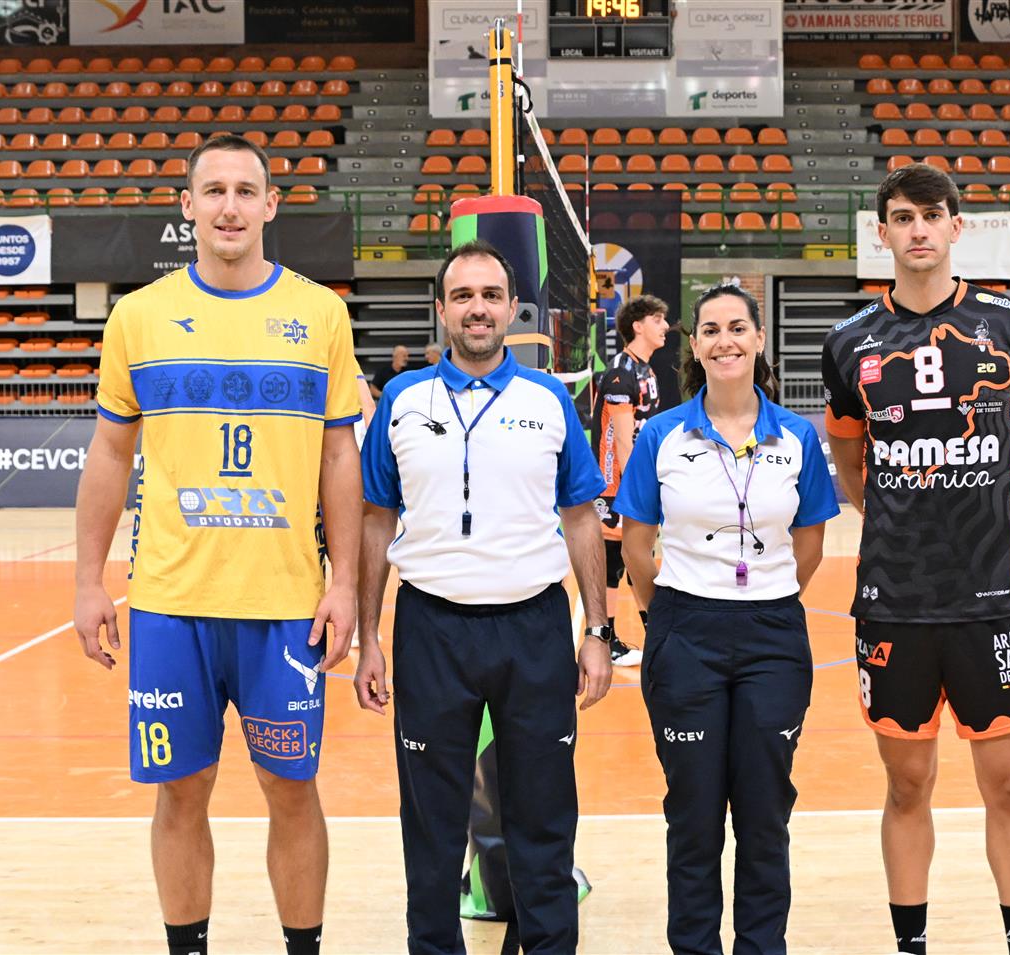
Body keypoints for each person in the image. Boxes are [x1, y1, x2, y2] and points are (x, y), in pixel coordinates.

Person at [72, 133, 362, 955]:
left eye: (244, 191)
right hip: (171, 604)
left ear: (271, 205)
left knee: (292, 789)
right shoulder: (138, 317)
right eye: (214, 191)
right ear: (189, 206)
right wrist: (89, 580)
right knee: (180, 791)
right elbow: (110, 454)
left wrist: (344, 581)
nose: (229, 206)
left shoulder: (320, 313)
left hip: (285, 604)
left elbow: (339, 457)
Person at [821, 163, 1010, 955]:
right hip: (895, 603)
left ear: (957, 226)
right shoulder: (848, 342)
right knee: (907, 784)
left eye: (931, 214)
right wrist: (912, 518)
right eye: (902, 216)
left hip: (990, 599)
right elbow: (852, 468)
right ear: (882, 232)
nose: (917, 228)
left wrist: (976, 524)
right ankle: (911, 944)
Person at [354, 239, 612, 955]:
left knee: (543, 818)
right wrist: (368, 636)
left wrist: (597, 629)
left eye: (491, 295)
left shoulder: (548, 398)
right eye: (463, 296)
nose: (478, 308)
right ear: (441, 309)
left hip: (534, 627)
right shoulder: (404, 400)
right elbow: (375, 517)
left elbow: (581, 515)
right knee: (432, 822)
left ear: (512, 308)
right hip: (431, 629)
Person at [615, 283, 839, 955]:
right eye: (710, 329)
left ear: (759, 339)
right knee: (694, 816)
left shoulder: (797, 436)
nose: (725, 340)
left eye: (738, 327)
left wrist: (767, 596)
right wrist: (665, 616)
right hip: (685, 632)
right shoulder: (662, 434)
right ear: (696, 346)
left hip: (773, 634)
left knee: (765, 814)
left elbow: (809, 543)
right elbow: (635, 544)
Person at [590, 293, 669, 667]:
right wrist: (638, 490)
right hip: (614, 482)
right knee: (615, 562)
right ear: (638, 326)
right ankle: (607, 641)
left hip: (633, 477)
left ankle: (656, 633)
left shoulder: (645, 371)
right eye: (657, 320)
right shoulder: (621, 373)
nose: (665, 326)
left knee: (640, 555)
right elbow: (623, 441)